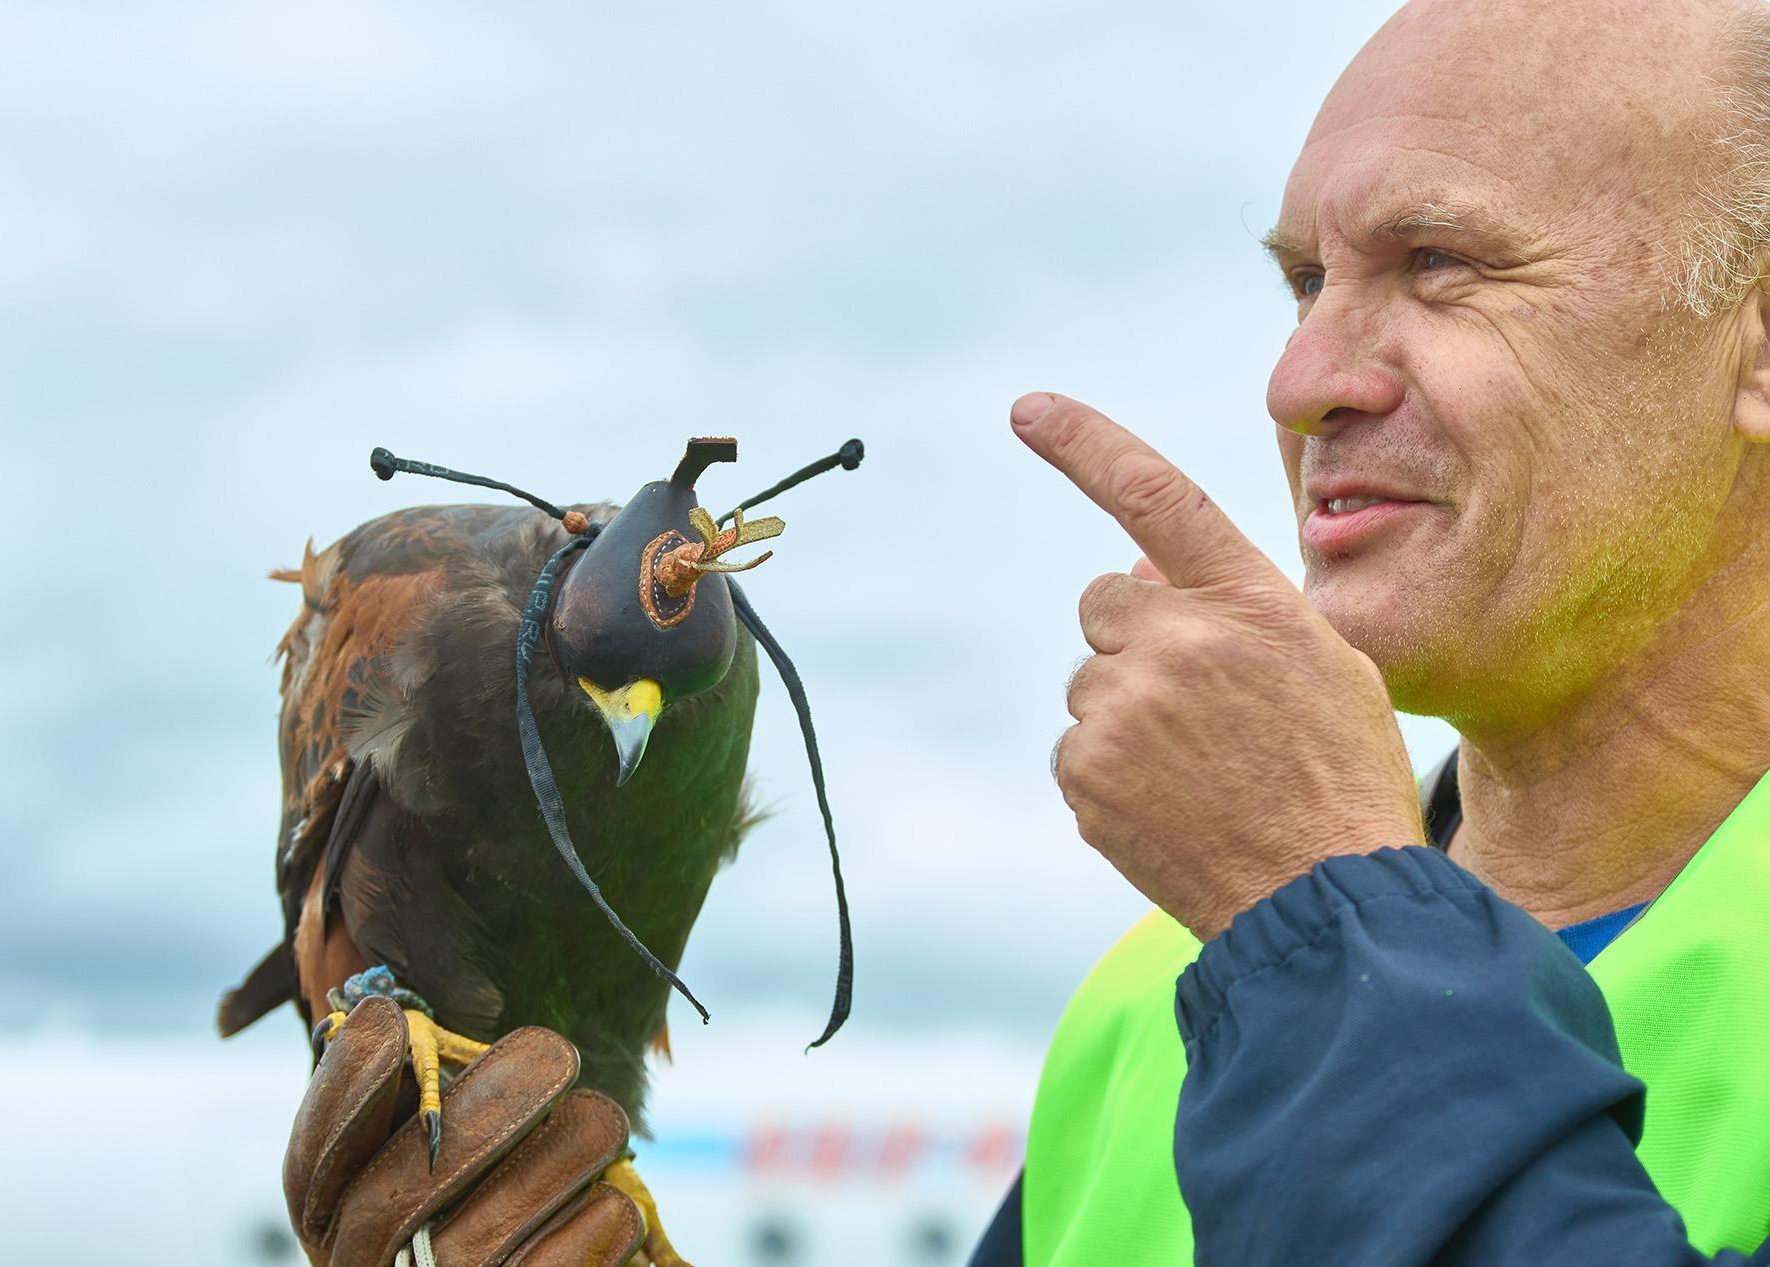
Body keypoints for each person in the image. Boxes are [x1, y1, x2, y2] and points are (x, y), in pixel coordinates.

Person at [282, 0, 1770, 1261]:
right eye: (1305, 281)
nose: (1300, 378)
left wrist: (1322, 920)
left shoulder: (1270, 936)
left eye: (1441, 263)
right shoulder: (1154, 998)